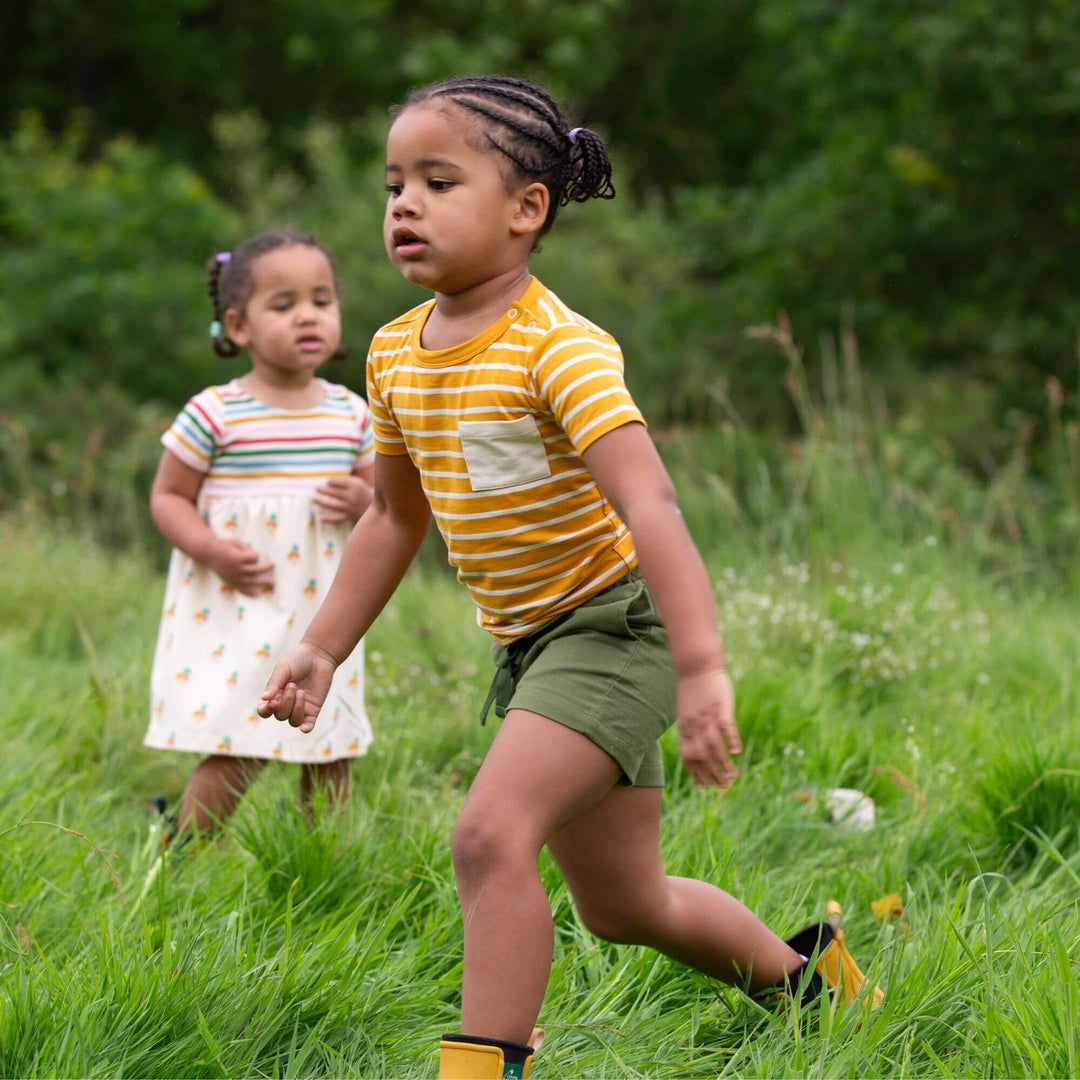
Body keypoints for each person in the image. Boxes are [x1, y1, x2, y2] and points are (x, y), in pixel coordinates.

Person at [257, 77, 879, 1079]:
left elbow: (653, 508)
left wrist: (704, 667)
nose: (404, 204)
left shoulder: (560, 348)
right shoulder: (393, 356)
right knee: (626, 906)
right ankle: (826, 992)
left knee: (488, 838)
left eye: (439, 180)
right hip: (534, 642)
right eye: (394, 183)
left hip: (615, 634)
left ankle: (485, 1067)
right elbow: (393, 516)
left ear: (527, 207)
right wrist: (323, 646)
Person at [144, 229, 375, 838]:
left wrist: (363, 497)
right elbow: (168, 497)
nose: (308, 315)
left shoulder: (352, 414)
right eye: (284, 304)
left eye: (322, 300)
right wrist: (209, 549)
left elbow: (390, 508)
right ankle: (180, 858)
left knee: (329, 742)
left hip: (325, 611)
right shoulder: (216, 412)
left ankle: (321, 863)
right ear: (238, 326)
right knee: (239, 737)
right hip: (239, 606)